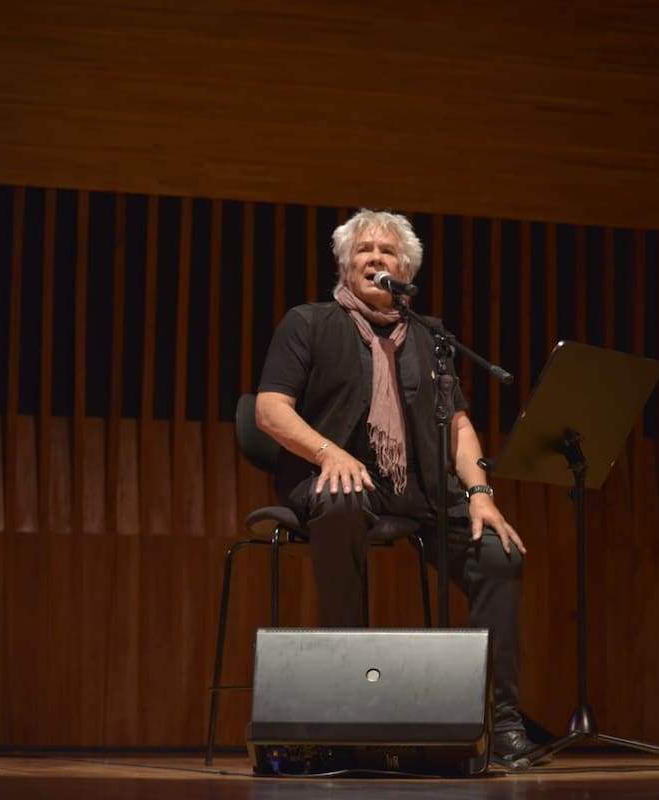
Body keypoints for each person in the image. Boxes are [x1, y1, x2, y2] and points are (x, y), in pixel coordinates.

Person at [255, 208, 537, 762]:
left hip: (424, 493)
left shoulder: (430, 340)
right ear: (344, 264)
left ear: (405, 271)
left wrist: (481, 495)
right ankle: (348, 717)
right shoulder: (309, 322)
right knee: (339, 502)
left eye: (387, 253)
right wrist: (328, 452)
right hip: (335, 480)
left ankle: (502, 723)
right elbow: (269, 409)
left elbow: (458, 425)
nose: (376, 259)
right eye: (364, 251)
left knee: (499, 553)